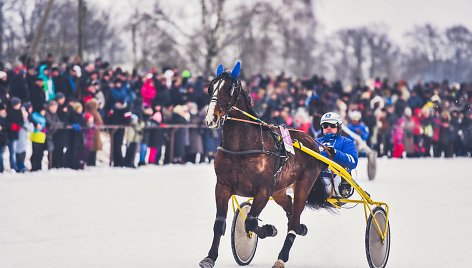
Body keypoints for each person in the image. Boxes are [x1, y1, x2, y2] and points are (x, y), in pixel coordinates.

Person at [315, 112, 358, 198]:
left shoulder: (347, 142)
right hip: (315, 178)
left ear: (339, 127)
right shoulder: (315, 142)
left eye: (333, 125)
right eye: (325, 125)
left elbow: (353, 162)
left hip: (336, 181)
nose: (329, 128)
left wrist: (336, 153)